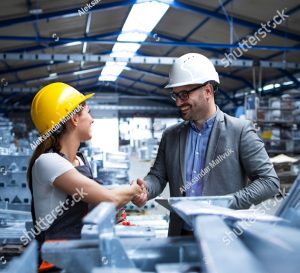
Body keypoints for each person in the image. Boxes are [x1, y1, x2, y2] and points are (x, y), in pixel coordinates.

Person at [132, 53, 280, 236]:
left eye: (184, 94)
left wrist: (228, 203)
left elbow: (269, 181)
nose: (179, 102)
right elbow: (158, 176)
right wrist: (146, 188)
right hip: (181, 234)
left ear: (208, 91)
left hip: (224, 236)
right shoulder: (171, 135)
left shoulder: (240, 131)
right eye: (175, 95)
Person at [27, 82, 142, 246]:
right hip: (57, 261)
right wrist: (134, 190)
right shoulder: (49, 162)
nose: (92, 119)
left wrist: (118, 209)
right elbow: (110, 198)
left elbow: (98, 195)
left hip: (79, 252)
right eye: (89, 112)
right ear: (74, 118)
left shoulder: (79, 160)